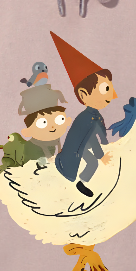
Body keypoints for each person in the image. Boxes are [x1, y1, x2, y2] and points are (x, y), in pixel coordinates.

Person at [50, 32, 117, 196]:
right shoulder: (87, 118)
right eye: (105, 89)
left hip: (83, 147)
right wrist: (101, 154)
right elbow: (88, 138)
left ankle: (82, 182)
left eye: (109, 87)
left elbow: (97, 135)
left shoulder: (94, 116)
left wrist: (104, 146)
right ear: (83, 95)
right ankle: (80, 184)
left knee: (93, 162)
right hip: (78, 150)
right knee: (93, 163)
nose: (112, 94)